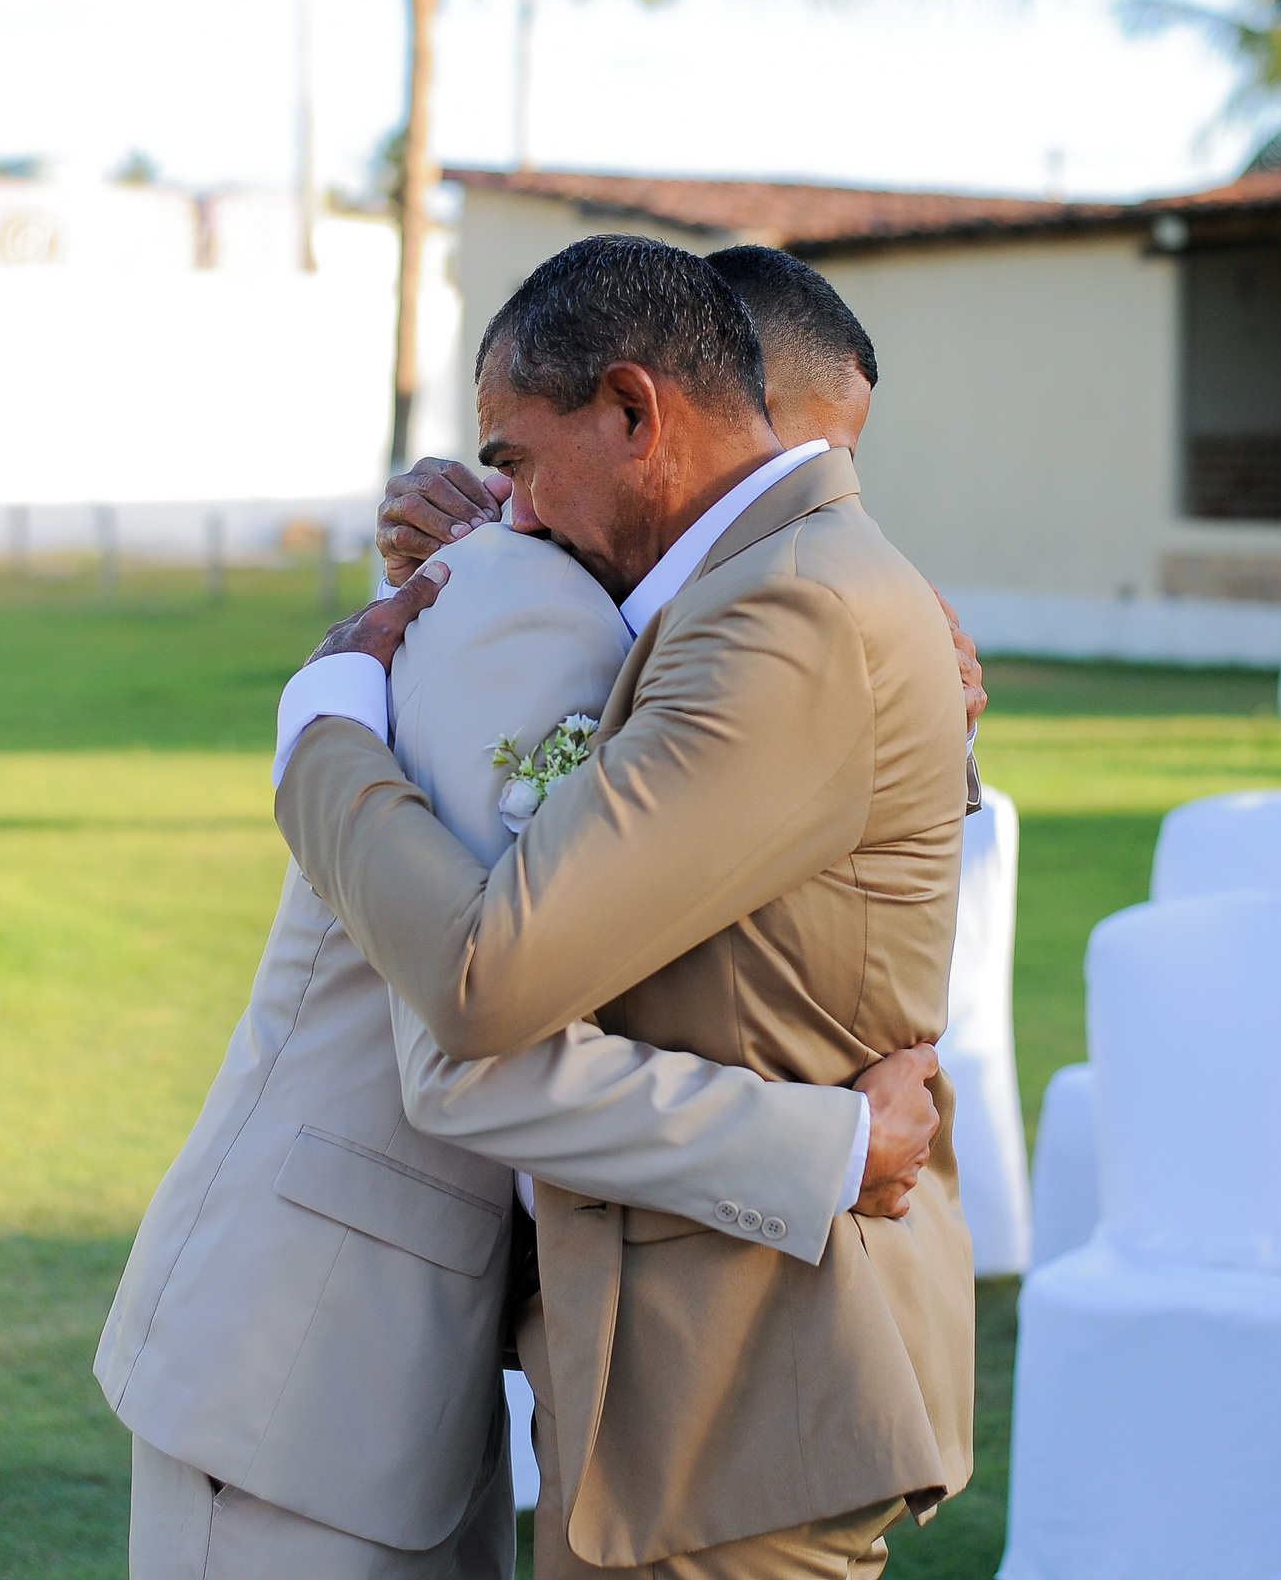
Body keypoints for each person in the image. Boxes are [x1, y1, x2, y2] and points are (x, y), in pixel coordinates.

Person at [278, 234, 975, 1579]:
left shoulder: (795, 612)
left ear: (634, 409)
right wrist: (506, 567)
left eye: (520, 459)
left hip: (749, 1383)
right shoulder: (745, 594)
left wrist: (324, 734)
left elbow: (490, 975)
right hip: (695, 1377)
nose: (516, 508)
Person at [98, 512, 943, 1580]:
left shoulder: (709, 636)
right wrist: (833, 1146)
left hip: (420, 1352)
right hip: (303, 1355)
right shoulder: (526, 618)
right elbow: (471, 1053)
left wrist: (901, 691)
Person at [375, 243, 986, 736]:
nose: (815, 491)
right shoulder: (528, 527)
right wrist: (415, 587)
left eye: (837, 464)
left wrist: (926, 723)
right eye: (797, 457)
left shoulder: (827, 608)